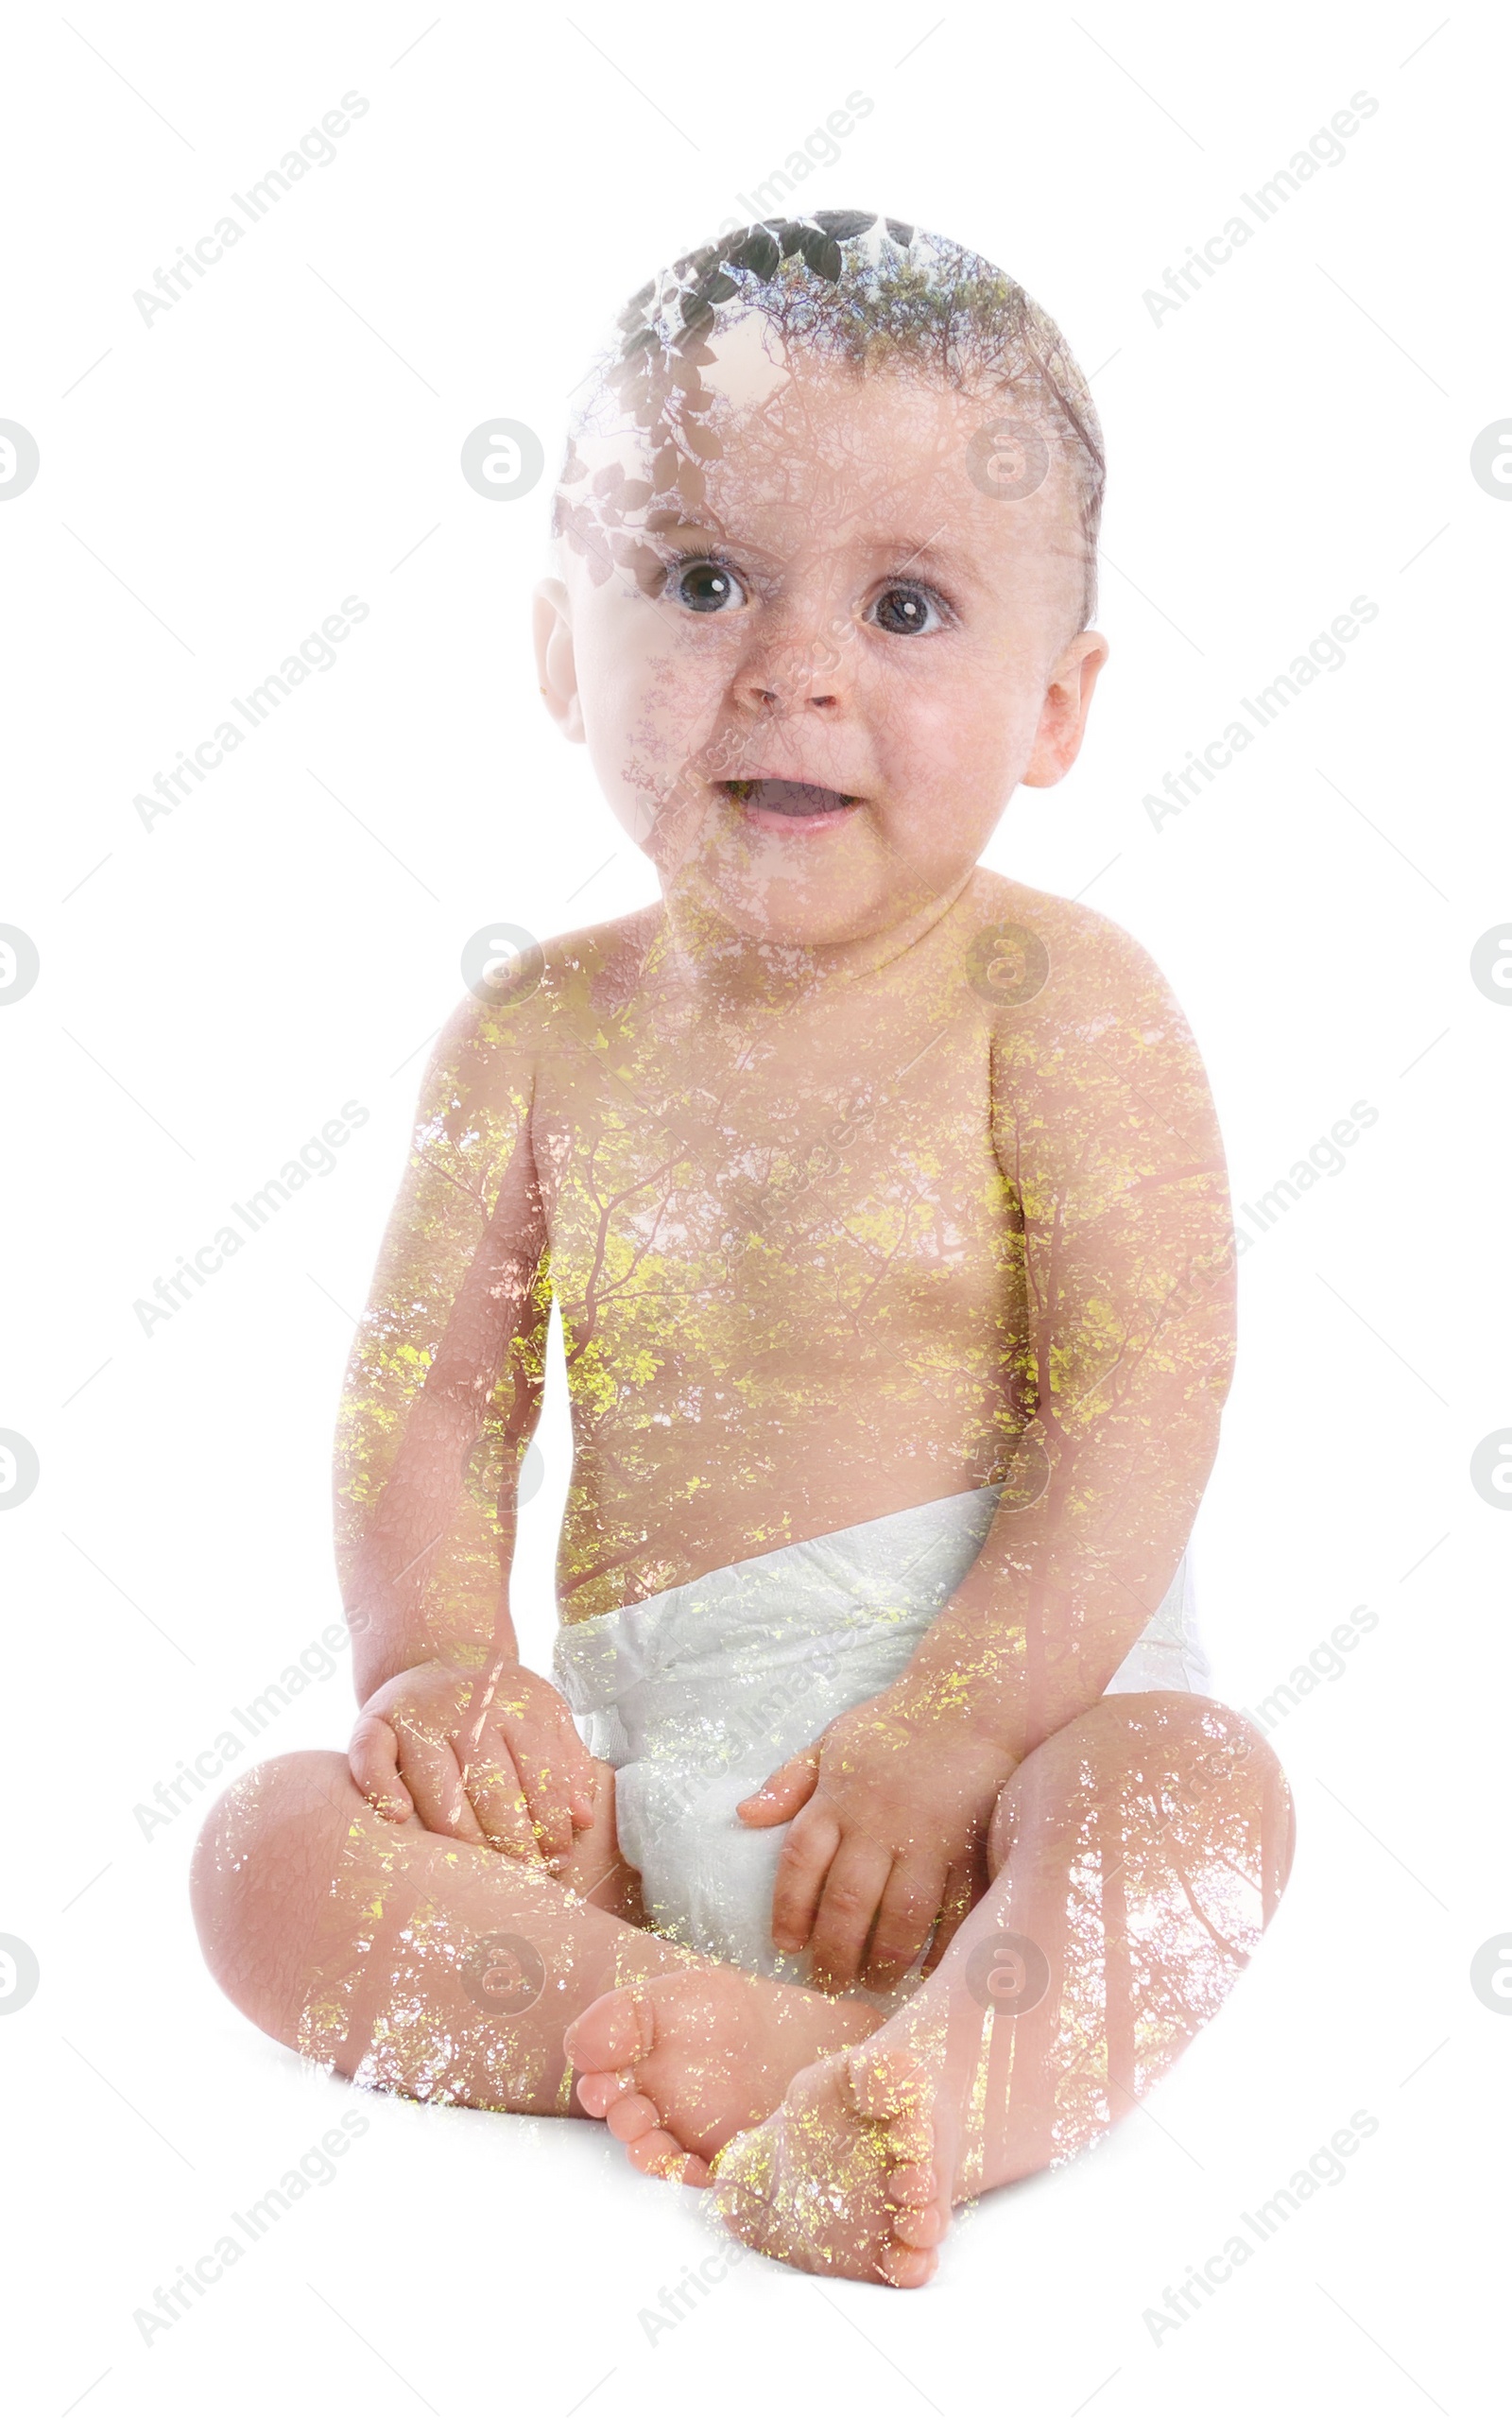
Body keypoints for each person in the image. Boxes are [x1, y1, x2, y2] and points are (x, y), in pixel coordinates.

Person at [191, 213, 1293, 2286]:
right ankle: (696, 2030)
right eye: (701, 582)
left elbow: (1139, 1396)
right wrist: (436, 1665)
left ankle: (951, 2081)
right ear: (557, 651)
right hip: (635, 1803)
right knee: (261, 1858)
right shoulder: (530, 1039)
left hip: (999, 1782)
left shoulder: (1053, 1001)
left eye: (902, 603)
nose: (791, 665)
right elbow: (433, 1393)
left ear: (1053, 706)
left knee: (1198, 1801)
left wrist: (962, 1722)